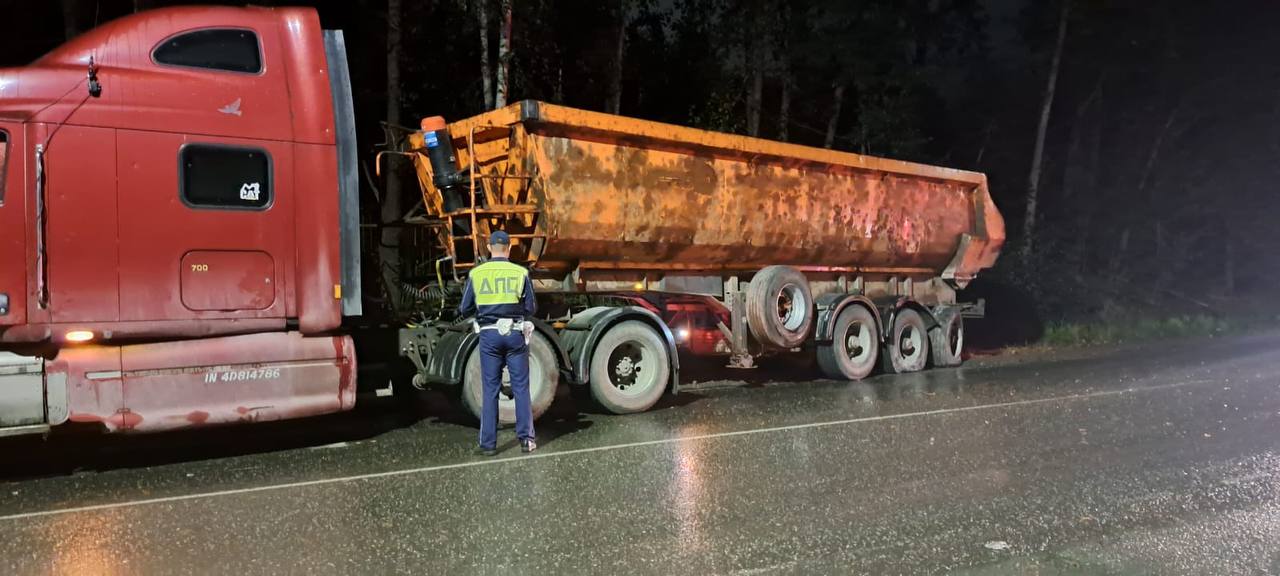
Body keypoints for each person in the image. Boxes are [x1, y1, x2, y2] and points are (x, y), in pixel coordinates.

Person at [457, 230, 538, 455]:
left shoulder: (477, 273)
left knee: (490, 389)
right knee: (521, 387)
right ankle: (526, 440)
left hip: (489, 335)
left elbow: (464, 309)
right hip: (514, 334)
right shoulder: (520, 272)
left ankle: (488, 445)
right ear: (509, 249)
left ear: (489, 248)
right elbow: (532, 308)